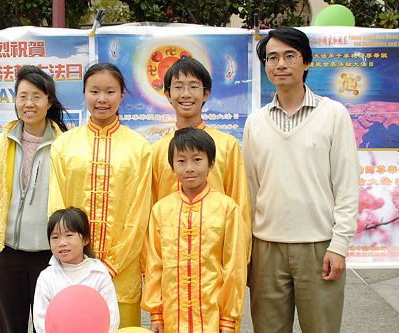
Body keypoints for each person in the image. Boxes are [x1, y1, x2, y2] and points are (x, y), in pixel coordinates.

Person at [243, 27, 359, 333]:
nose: (280, 64)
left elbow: (347, 185)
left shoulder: (334, 115)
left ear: (306, 62)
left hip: (319, 246)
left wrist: (339, 245)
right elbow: (251, 190)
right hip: (266, 247)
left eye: (289, 56)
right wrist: (248, 250)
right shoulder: (255, 122)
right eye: (272, 58)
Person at [49, 63, 152, 327]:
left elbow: (140, 214)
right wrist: (73, 255)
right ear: (84, 93)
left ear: (121, 95)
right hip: (73, 267)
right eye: (94, 91)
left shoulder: (139, 148)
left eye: (110, 91)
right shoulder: (64, 145)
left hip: (122, 270)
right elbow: (56, 206)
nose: (102, 99)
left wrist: (114, 263)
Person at [0, 65, 68, 333]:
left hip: (49, 255)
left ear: (49, 102)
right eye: (23, 96)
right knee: (9, 327)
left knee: (49, 326)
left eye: (37, 96)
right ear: (15, 100)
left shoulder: (64, 146)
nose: (29, 103)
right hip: (6, 255)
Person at [142, 127, 247, 333]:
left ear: (211, 164)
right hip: (173, 318)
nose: (189, 168)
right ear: (172, 166)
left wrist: (227, 319)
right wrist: (156, 314)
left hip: (212, 319)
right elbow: (154, 264)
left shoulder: (227, 208)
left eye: (197, 160)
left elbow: (234, 266)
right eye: (181, 161)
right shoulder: (161, 210)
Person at [151, 56, 251, 259]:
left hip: (213, 258)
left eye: (193, 87)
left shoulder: (226, 145)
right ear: (168, 94)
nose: (186, 94)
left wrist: (240, 257)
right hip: (170, 259)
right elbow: (151, 208)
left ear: (206, 93)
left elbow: (240, 203)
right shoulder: (158, 149)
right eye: (178, 87)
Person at [33, 207, 120, 333]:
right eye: (55, 237)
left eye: (69, 235)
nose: (62, 243)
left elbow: (111, 317)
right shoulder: (46, 277)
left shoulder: (99, 273)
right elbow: (41, 320)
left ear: (85, 239)